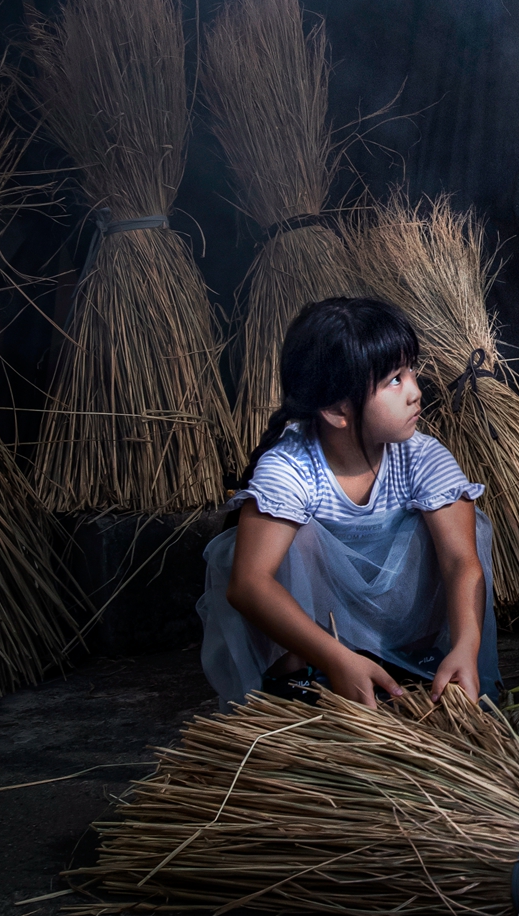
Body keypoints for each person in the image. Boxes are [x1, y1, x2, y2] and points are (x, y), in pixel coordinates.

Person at [199, 297, 497, 711]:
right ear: (339, 409)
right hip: (320, 647)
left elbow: (460, 562)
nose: (415, 391)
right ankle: (300, 682)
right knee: (292, 539)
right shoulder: (290, 467)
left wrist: (466, 644)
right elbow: (250, 584)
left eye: (412, 371)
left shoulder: (423, 458)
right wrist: (336, 656)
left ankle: (413, 668)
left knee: (447, 531)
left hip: (405, 638)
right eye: (395, 379)